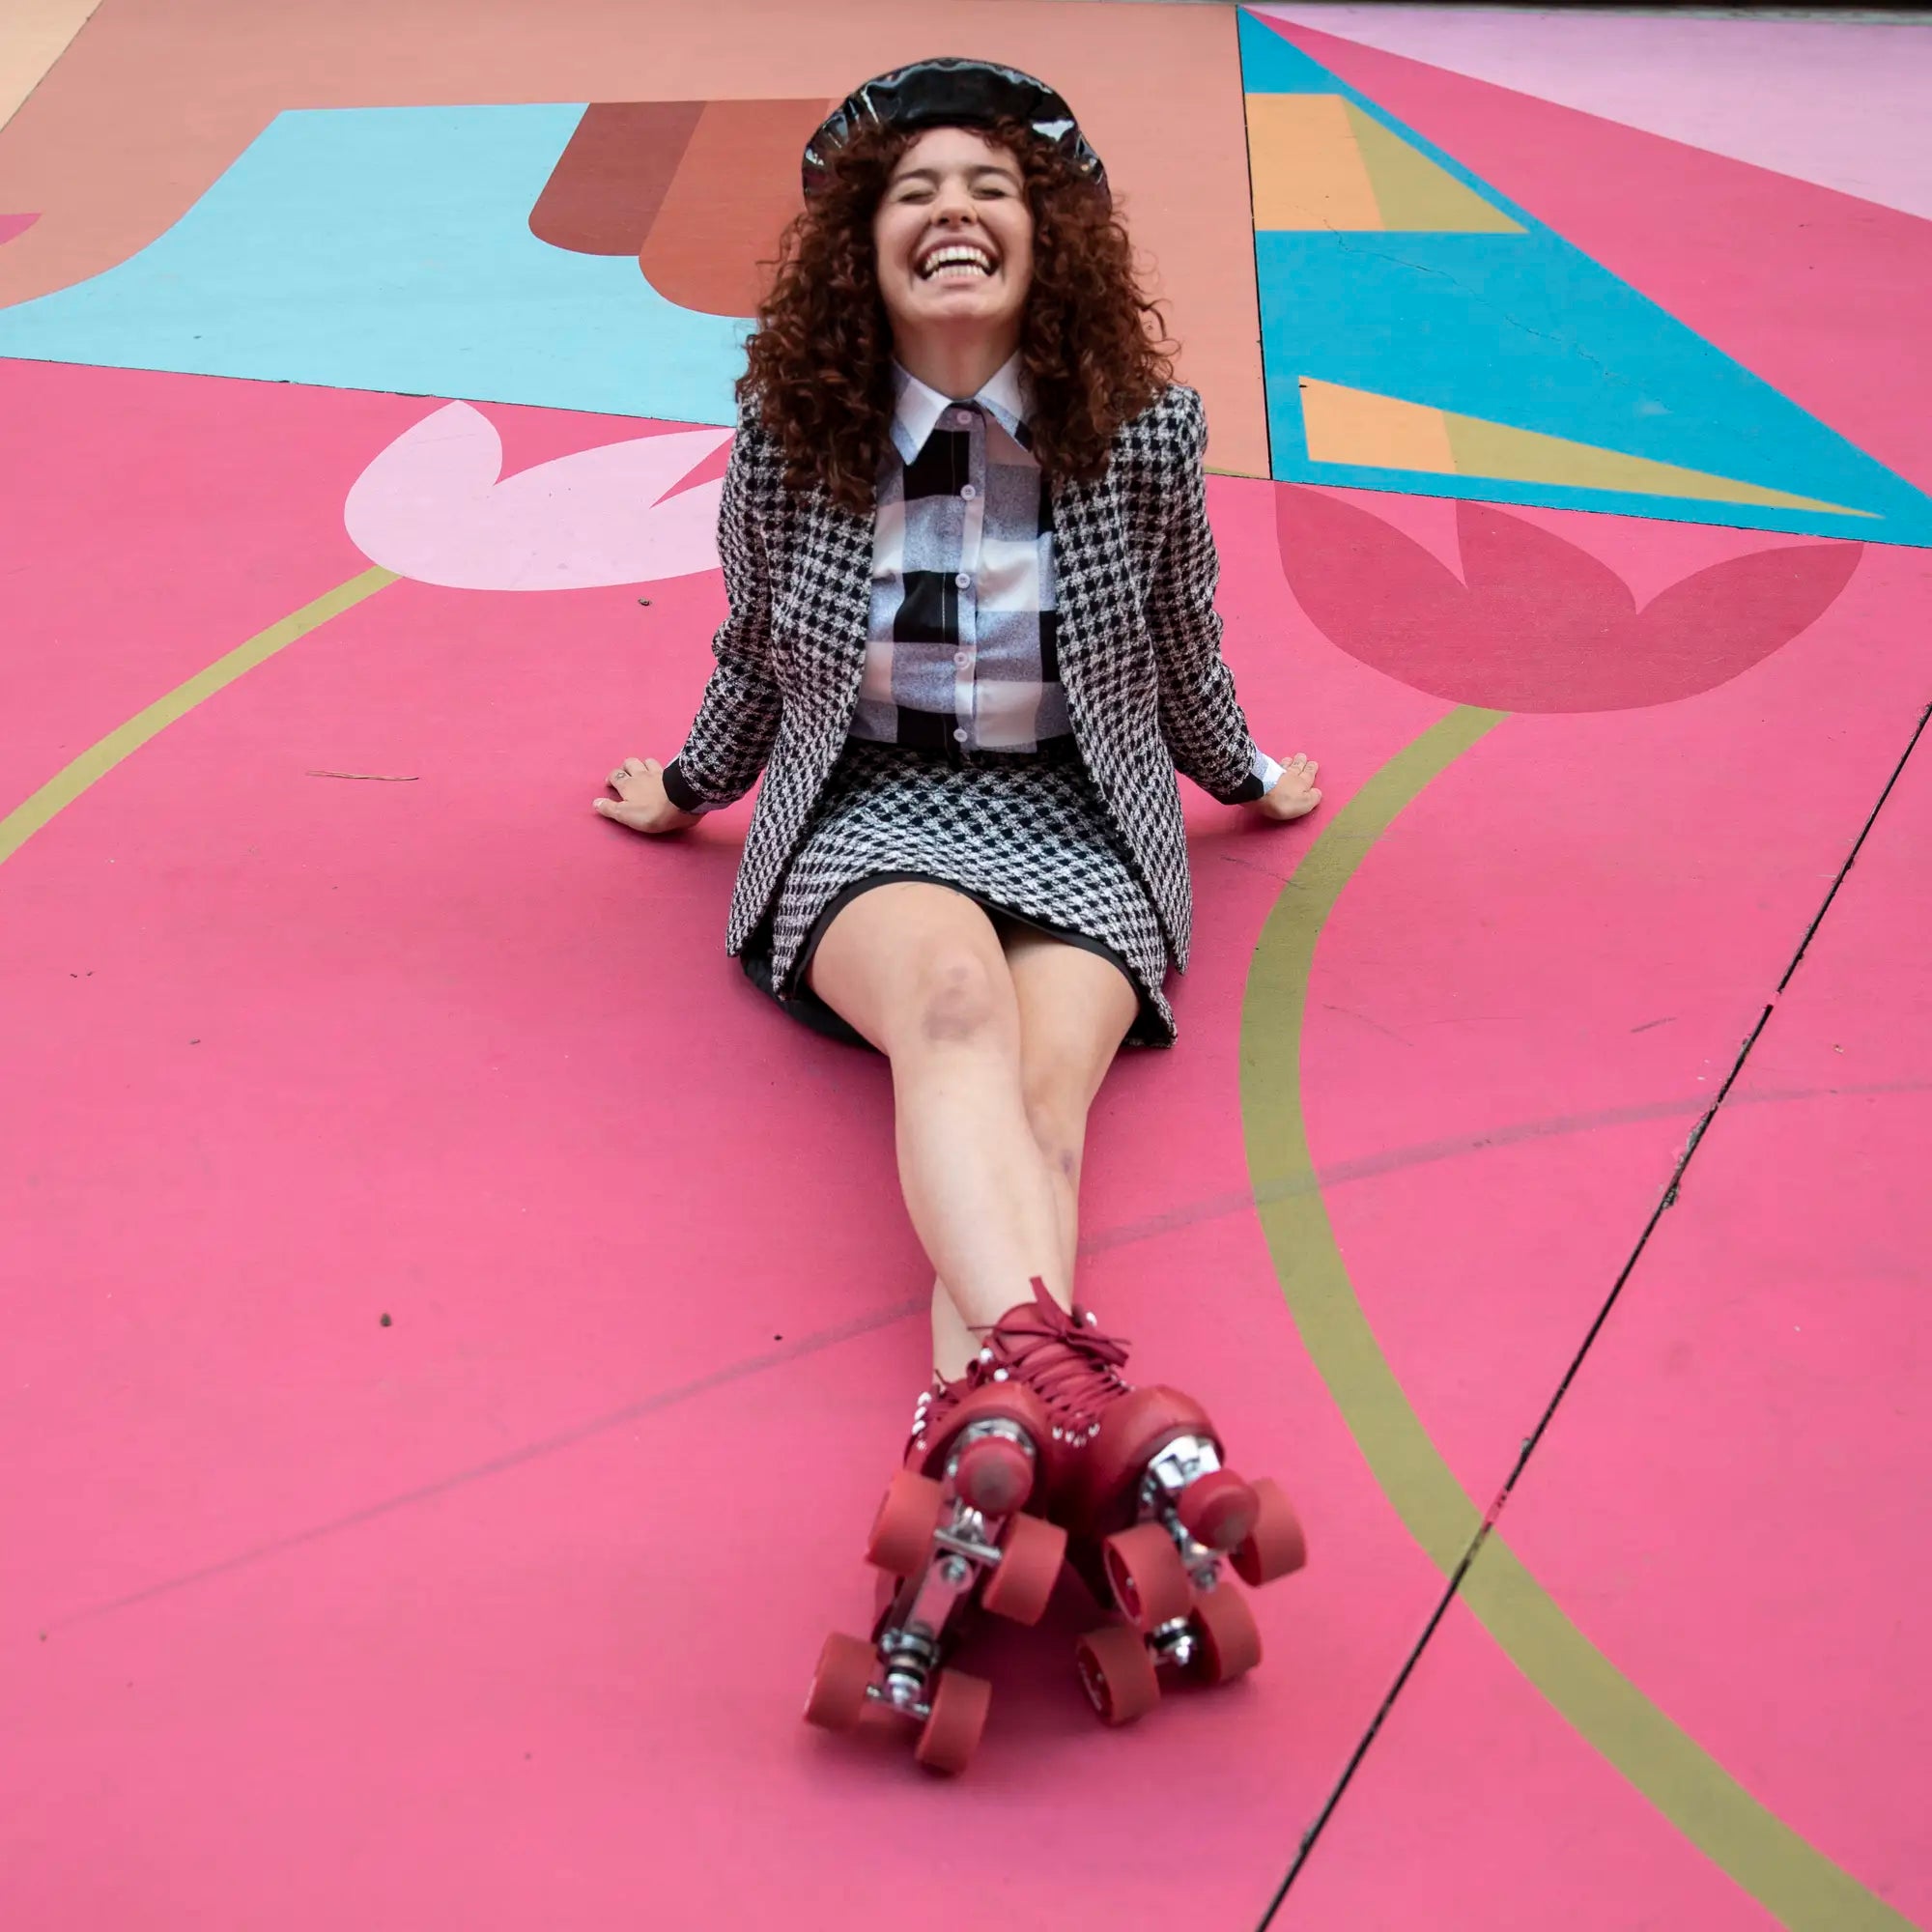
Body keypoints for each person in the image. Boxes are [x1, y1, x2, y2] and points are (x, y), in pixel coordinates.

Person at [594, 59, 1317, 1769]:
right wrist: (693, 790)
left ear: (1045, 239)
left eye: (989, 188)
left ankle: (981, 1489)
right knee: (956, 1018)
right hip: (873, 811)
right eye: (915, 192)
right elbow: (759, 652)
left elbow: (1188, 648)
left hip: (1081, 811)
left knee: (1041, 1109)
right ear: (864, 249)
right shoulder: (796, 436)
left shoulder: (1144, 433)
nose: (953, 214)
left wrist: (1240, 776)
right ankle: (1094, 1425)